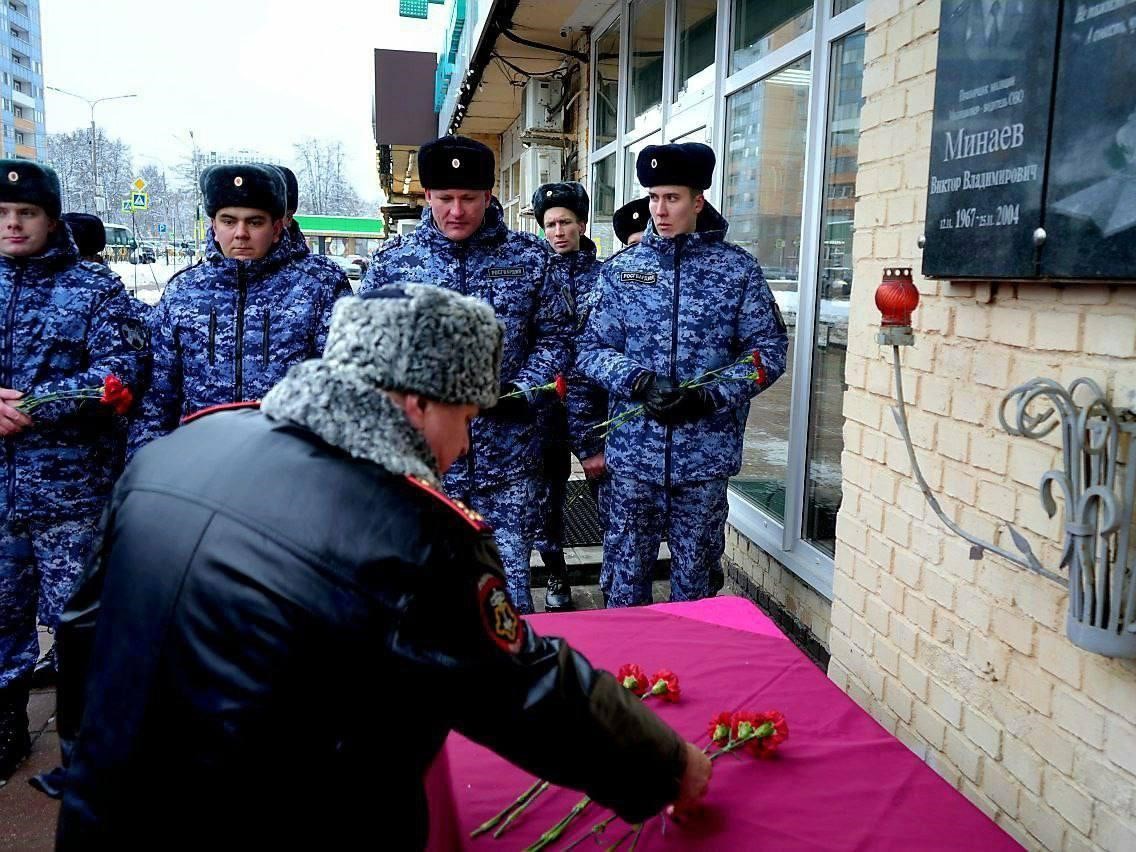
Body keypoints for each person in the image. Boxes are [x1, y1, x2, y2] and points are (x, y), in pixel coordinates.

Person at [54, 284, 711, 847]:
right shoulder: (414, 532)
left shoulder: (186, 445)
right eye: (467, 415)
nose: (463, 443)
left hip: (106, 816)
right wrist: (667, 765)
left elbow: (82, 633)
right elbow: (529, 691)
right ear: (420, 402)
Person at [362, 136, 570, 613]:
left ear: (489, 196)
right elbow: (369, 351)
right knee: (428, 600)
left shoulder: (531, 260)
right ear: (427, 198)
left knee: (508, 597)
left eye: (469, 198)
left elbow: (558, 337)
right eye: (445, 198)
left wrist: (524, 392)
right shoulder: (394, 263)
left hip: (509, 461)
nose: (457, 210)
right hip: (427, 467)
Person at [578, 142, 789, 608]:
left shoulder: (736, 270)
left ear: (698, 200)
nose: (660, 209)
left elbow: (768, 351)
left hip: (704, 461)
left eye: (671, 198)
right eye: (653, 197)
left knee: (695, 591)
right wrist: (639, 382)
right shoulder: (621, 271)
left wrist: (710, 397)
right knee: (624, 585)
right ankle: (621, 678)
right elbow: (589, 351)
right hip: (634, 461)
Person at [0, 161, 148, 782]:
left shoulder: (93, 289)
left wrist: (31, 407)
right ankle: (6, 726)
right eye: (3, 214)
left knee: (84, 630)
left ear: (51, 217)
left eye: (26, 213)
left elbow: (120, 379)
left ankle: (85, 751)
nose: (12, 224)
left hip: (73, 497)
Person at [128, 163, 350, 455]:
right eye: (229, 221)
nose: (241, 233)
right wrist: (147, 471)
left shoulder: (318, 287)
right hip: (200, 466)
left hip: (289, 467)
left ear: (277, 227)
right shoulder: (184, 292)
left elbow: (341, 389)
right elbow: (157, 398)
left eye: (255, 222)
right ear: (214, 226)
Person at [531, 181, 606, 611]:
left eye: (566, 222)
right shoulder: (533, 275)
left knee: (607, 495)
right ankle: (557, 574)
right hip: (546, 414)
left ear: (582, 224)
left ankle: (614, 576)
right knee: (547, 501)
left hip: (597, 409)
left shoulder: (606, 276)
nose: (558, 231)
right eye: (550, 224)